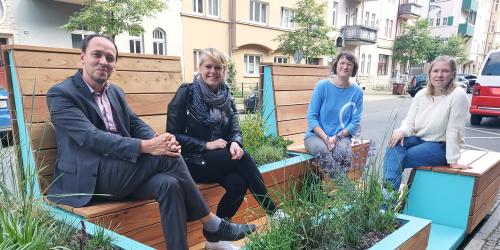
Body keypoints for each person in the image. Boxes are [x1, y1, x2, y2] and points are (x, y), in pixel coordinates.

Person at [46, 35, 255, 250]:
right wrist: (146, 147)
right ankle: (211, 223)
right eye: (96, 55)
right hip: (89, 179)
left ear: (115, 65)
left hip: (124, 171)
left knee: (169, 184)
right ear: (82, 58)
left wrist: (159, 139)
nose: (103, 62)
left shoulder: (114, 92)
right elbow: (91, 137)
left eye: (110, 58)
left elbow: (135, 124)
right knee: (167, 158)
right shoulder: (61, 94)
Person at [167, 48, 286, 249]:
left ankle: (214, 240)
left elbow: (235, 130)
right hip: (192, 161)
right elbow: (173, 134)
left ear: (224, 71)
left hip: (218, 160)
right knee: (244, 158)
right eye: (208, 66)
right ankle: (273, 212)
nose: (213, 71)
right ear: (200, 68)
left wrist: (236, 143)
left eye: (218, 67)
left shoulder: (226, 96)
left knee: (238, 183)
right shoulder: (186, 93)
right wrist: (205, 144)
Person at [383, 56, 470, 190]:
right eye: (436, 71)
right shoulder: (422, 94)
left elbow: (455, 129)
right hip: (419, 139)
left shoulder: (458, 95)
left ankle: (386, 199)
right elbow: (409, 121)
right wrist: (401, 131)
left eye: (445, 71)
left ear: (453, 73)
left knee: (401, 158)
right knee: (393, 146)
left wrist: (453, 160)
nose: (439, 75)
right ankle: (388, 195)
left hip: (440, 146)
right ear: (430, 73)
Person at [304, 51, 363, 177]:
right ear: (336, 65)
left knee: (343, 153)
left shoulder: (357, 92)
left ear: (353, 68)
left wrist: (336, 138)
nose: (345, 66)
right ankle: (346, 190)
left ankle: (338, 192)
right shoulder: (322, 86)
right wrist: (326, 138)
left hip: (341, 137)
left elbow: (355, 122)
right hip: (316, 136)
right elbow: (311, 117)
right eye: (342, 62)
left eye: (349, 64)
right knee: (322, 151)